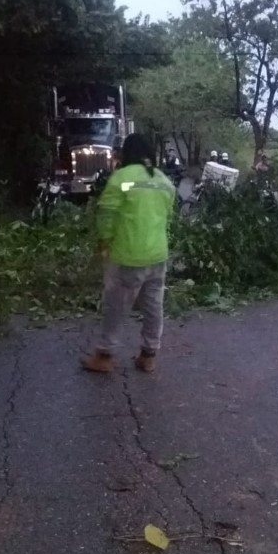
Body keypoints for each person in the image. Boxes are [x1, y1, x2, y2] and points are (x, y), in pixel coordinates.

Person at [82, 134, 176, 374]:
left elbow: (107, 214)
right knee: (154, 306)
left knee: (116, 305)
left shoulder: (122, 179)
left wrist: (103, 243)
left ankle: (104, 355)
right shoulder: (164, 181)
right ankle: (148, 355)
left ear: (127, 153)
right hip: (158, 255)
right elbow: (168, 218)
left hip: (129, 255)